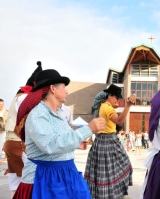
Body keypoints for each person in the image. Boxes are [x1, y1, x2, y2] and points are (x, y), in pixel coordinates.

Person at [12, 69, 106, 199]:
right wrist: (87, 129)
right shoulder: (38, 115)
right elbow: (50, 145)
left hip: (64, 174)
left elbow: (60, 139)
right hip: (42, 179)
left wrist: (76, 143)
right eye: (64, 87)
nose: (67, 91)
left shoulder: (60, 113)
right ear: (52, 88)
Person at [84, 84, 136, 199]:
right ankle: (110, 195)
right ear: (110, 96)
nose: (117, 100)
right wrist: (128, 106)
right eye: (116, 98)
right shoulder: (107, 107)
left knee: (106, 172)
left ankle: (106, 194)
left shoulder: (104, 106)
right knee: (110, 170)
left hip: (103, 141)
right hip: (107, 142)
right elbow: (119, 121)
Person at [4, 62, 42, 198]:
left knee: (15, 184)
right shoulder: (26, 97)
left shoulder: (18, 96)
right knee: (30, 183)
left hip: (11, 144)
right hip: (20, 145)